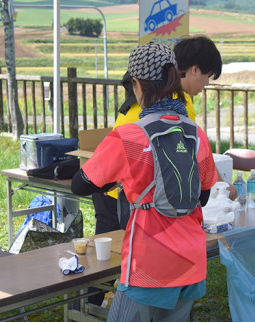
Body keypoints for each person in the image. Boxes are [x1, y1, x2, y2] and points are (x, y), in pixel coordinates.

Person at [71, 42, 218, 321]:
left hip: (148, 264)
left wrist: (116, 182)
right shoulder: (195, 133)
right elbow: (204, 196)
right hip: (191, 262)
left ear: (136, 83)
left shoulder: (129, 136)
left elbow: (81, 184)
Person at [92, 35, 236, 233]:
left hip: (117, 186)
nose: (207, 83)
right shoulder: (178, 103)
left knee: (117, 258)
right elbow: (193, 152)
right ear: (194, 70)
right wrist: (222, 185)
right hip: (131, 196)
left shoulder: (155, 93)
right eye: (208, 75)